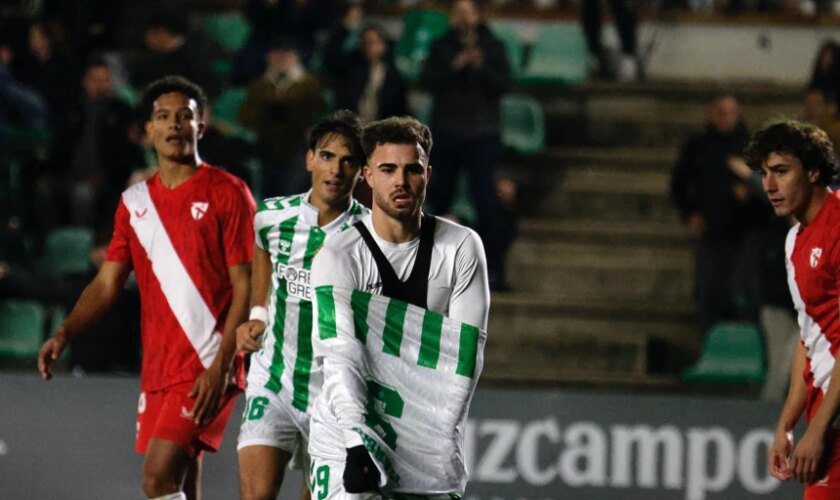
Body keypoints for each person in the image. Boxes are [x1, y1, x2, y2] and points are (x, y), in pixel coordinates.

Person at [37, 75, 256, 500]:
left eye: (184, 116)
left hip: (208, 361)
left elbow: (245, 287)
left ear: (201, 128)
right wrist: (65, 332)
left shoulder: (228, 192)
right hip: (158, 366)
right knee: (183, 482)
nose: (174, 124)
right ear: (148, 130)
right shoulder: (134, 203)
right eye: (163, 116)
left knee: (156, 480)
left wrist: (223, 365)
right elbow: (106, 284)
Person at [307, 116, 490, 497]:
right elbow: (338, 354)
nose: (401, 182)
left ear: (428, 174)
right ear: (368, 176)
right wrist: (357, 441)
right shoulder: (337, 256)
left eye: (413, 170)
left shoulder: (461, 247)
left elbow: (464, 360)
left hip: (426, 439)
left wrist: (439, 437)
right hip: (345, 435)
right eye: (387, 169)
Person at [234, 110, 370, 500]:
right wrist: (258, 314)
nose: (336, 169)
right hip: (274, 379)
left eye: (349, 161)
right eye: (328, 156)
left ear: (362, 171)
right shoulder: (273, 216)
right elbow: (262, 252)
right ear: (309, 159)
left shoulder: (369, 236)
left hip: (334, 398)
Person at [744, 120, 840, 498]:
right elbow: (809, 337)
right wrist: (787, 425)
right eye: (764, 173)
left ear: (814, 170)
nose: (769, 185)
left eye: (781, 171)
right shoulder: (793, 242)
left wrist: (816, 430)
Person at [419, 0, 511, 290]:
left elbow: (504, 85)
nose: (464, 18)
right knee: (440, 201)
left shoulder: (493, 47)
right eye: (458, 12)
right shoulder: (441, 46)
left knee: (486, 202)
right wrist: (454, 66)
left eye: (469, 12)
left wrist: (481, 67)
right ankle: (434, 273)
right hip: (447, 133)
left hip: (481, 133)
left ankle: (491, 272)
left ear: (477, 15)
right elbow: (427, 81)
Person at [670, 94, 767, 333]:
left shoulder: (750, 145)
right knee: (710, 295)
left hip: (745, 233)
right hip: (711, 232)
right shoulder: (699, 145)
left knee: (744, 296)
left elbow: (768, 188)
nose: (725, 118)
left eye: (730, 112)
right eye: (720, 112)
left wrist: (750, 190)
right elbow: (678, 184)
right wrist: (690, 213)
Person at [238, 38, 325, 197]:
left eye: (287, 55)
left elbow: (318, 111)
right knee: (268, 191)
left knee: (290, 189)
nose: (282, 59)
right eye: (277, 55)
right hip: (267, 145)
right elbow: (246, 116)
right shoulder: (260, 84)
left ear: (296, 57)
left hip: (297, 145)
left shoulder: (309, 83)